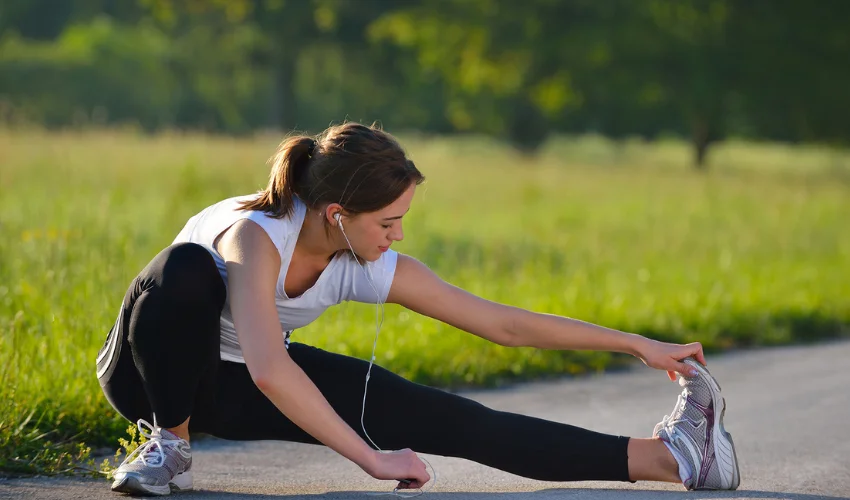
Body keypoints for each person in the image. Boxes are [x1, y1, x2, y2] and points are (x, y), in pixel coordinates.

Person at [95, 121, 740, 497]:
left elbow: (502, 325)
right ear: (338, 216)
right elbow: (269, 366)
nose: (397, 235)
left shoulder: (361, 256)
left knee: (450, 417)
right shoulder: (255, 237)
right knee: (182, 273)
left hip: (232, 386)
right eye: (390, 221)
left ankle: (674, 457)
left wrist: (636, 344)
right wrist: (372, 460)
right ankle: (168, 447)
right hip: (148, 375)